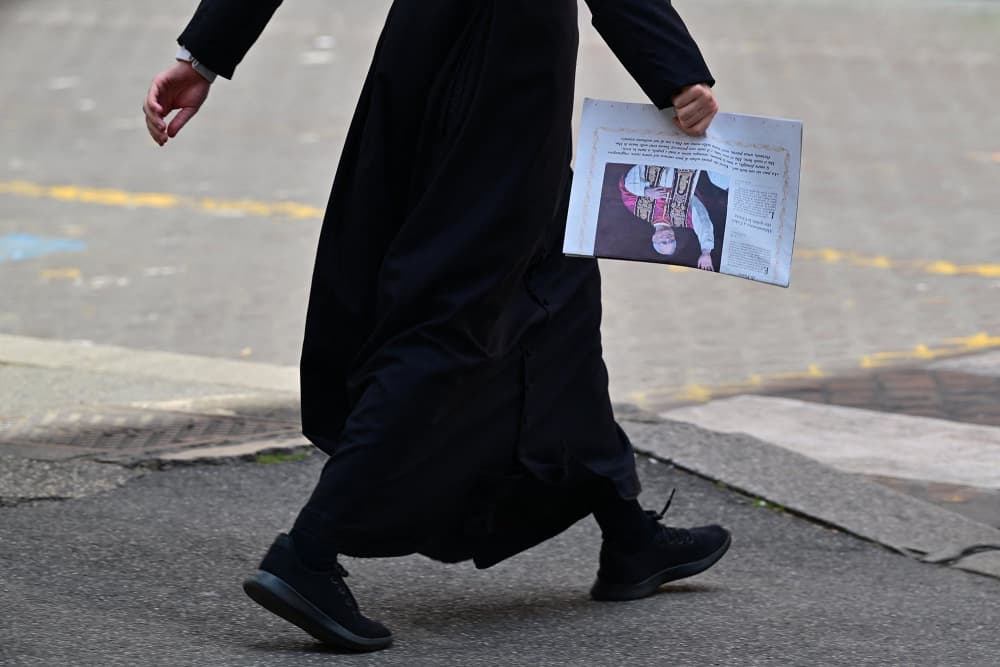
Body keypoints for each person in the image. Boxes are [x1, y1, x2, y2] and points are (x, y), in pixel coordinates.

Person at [144, 0, 730, 652]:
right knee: (454, 312)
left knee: (560, 286)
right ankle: (308, 550)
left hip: (427, 48)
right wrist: (673, 70)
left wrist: (202, 52)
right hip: (507, 76)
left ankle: (626, 529)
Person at [620, 165, 729, 271]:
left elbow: (627, 182)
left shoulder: (637, 210)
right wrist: (706, 251)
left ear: (654, 238)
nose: (668, 239)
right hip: (687, 163)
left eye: (664, 242)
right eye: (672, 241)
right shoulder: (683, 219)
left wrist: (645, 191)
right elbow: (702, 219)